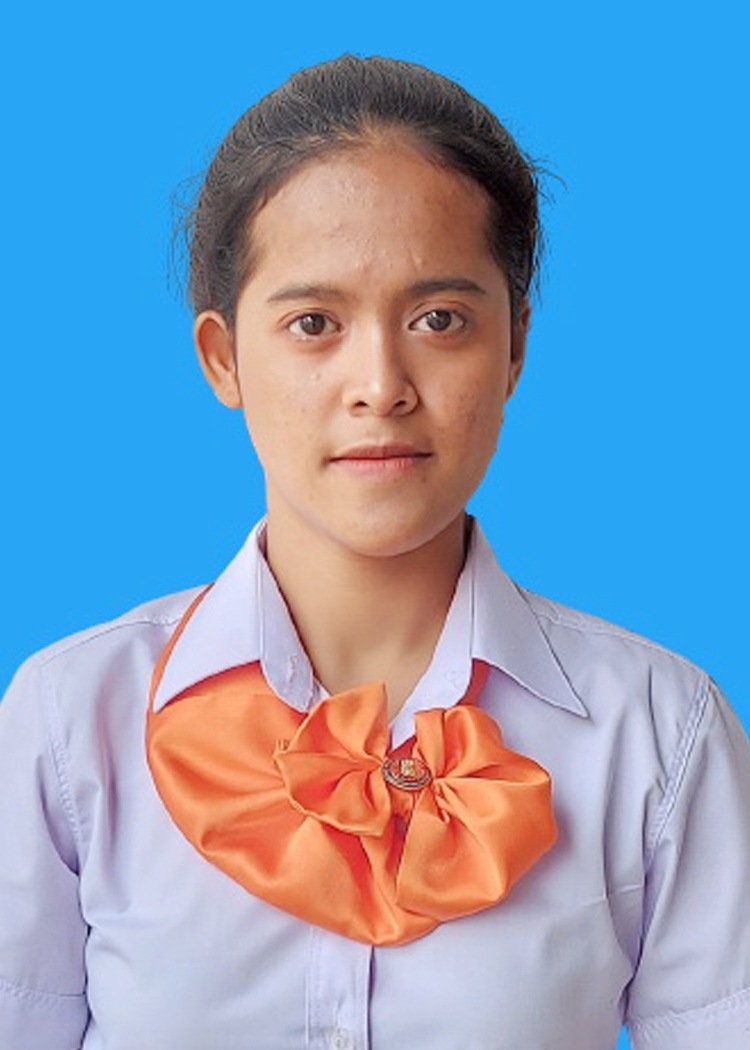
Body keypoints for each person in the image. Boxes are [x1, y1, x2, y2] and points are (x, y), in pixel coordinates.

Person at [0, 55, 748, 1050]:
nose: (381, 384)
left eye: (440, 320)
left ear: (515, 346)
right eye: (313, 323)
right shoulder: (69, 722)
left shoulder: (659, 731)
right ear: (223, 357)